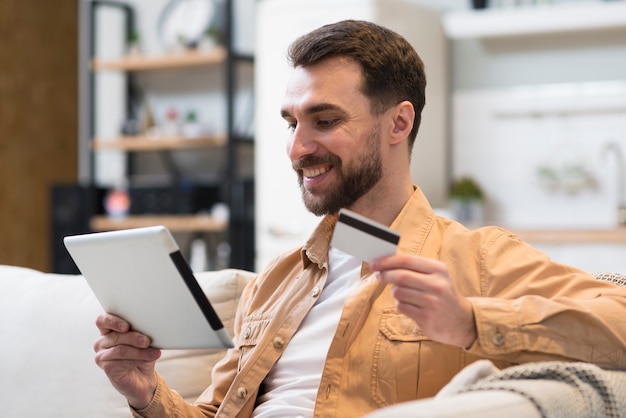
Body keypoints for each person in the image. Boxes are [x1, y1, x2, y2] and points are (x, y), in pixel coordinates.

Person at [94, 20, 626, 417]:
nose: (297, 147)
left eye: (324, 121)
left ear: (398, 123)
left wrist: (469, 322)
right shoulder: (277, 280)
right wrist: (147, 394)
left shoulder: (474, 258)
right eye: (291, 123)